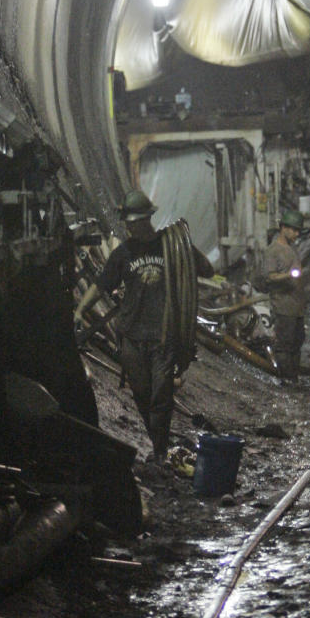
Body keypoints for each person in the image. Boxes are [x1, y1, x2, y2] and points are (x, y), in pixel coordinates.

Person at [74, 189, 212, 460]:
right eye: (127, 223)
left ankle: (159, 452)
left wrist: (189, 250)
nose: (130, 227)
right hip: (131, 336)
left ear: (147, 219)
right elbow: (101, 285)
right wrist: (80, 310)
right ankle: (157, 440)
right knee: (141, 394)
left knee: (161, 395)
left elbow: (207, 270)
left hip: (163, 336)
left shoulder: (171, 247)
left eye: (134, 222)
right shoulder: (124, 253)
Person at [261, 206, 306, 384]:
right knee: (285, 344)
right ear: (283, 228)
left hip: (296, 307)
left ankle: (294, 378)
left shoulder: (292, 249)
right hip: (283, 306)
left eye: (298, 230)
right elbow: (269, 277)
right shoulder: (273, 251)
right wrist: (288, 275)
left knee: (297, 342)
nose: (296, 234)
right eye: (294, 230)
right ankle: (286, 380)